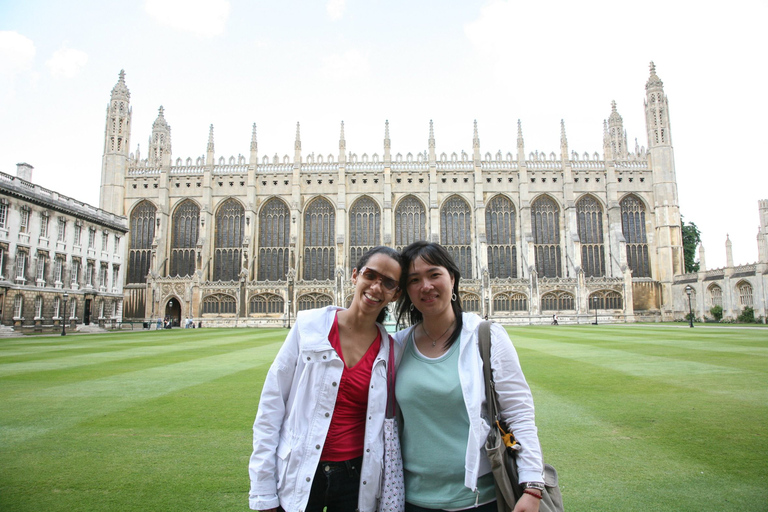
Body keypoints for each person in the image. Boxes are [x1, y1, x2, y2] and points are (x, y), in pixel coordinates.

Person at [249, 246, 402, 512]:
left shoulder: (392, 351)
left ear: (396, 294)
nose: (376, 287)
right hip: (300, 470)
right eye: (370, 275)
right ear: (355, 275)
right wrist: (263, 489)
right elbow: (271, 406)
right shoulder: (310, 326)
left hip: (356, 476)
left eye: (388, 283)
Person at [394, 241, 545, 512]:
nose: (425, 286)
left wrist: (533, 485)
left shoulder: (486, 336)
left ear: (452, 278)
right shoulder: (397, 346)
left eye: (434, 274)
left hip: (478, 498)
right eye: (414, 279)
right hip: (412, 498)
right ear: (406, 290)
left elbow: (518, 412)